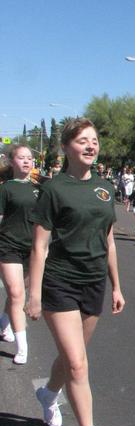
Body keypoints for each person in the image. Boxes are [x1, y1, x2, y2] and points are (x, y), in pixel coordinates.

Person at [26, 117, 125, 426]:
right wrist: (34, 294)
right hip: (60, 282)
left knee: (72, 358)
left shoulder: (105, 188)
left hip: (93, 283)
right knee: (79, 366)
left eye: (94, 140)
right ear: (67, 147)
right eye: (82, 140)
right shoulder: (54, 189)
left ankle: (48, 393)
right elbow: (39, 246)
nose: (90, 145)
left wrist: (117, 285)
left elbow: (108, 240)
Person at [0, 144, 40, 364]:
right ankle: (22, 347)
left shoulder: (38, 188)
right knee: (17, 296)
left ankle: (4, 323)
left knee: (18, 292)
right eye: (22, 158)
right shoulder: (5, 189)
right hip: (8, 247)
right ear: (12, 162)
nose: (26, 161)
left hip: (32, 250)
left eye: (30, 158)